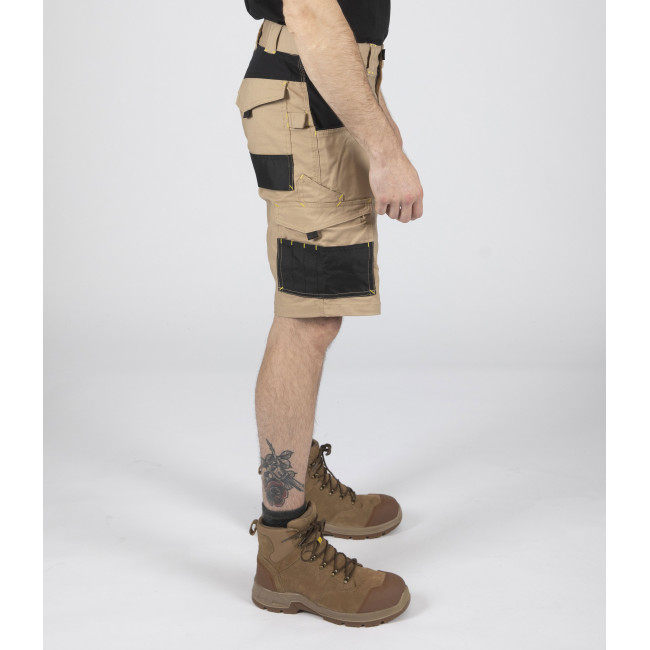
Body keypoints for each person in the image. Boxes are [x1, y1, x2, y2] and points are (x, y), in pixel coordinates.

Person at [235, 0, 424, 626]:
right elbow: (313, 12)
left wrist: (380, 126)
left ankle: (302, 482)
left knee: (317, 307)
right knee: (308, 315)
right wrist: (387, 151)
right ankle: (284, 544)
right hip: (306, 86)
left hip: (323, 85)